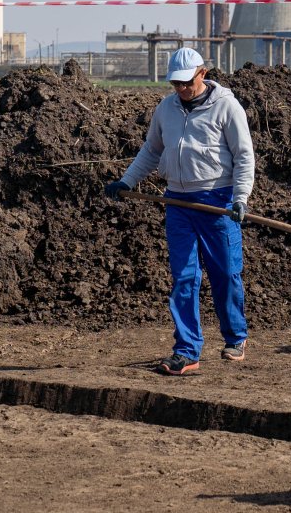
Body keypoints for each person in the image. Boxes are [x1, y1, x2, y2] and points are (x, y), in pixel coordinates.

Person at [104, 47, 255, 376]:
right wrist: (127, 181)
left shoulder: (226, 107)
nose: (181, 89)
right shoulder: (166, 109)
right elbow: (151, 150)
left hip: (217, 200)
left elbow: (244, 156)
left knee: (225, 272)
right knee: (184, 278)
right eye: (176, 84)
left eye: (186, 83)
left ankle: (235, 337)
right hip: (177, 203)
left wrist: (240, 197)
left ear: (202, 74)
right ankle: (187, 351)